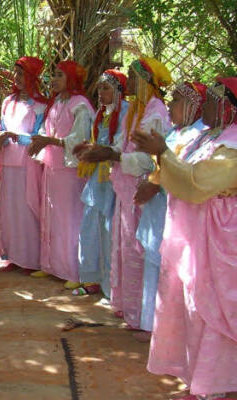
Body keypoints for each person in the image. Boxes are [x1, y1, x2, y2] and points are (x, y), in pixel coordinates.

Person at [134, 77, 237, 400]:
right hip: (197, 236)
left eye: (211, 100)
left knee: (213, 308)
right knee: (193, 305)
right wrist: (161, 156)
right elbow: (176, 170)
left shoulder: (233, 146)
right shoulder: (207, 137)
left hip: (220, 237)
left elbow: (197, 181)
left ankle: (215, 385)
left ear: (226, 107)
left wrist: (162, 152)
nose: (203, 104)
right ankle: (200, 380)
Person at [81, 58, 171, 329]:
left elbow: (149, 159)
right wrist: (102, 152)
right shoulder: (138, 111)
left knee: (140, 251)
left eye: (132, 77)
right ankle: (128, 308)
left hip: (143, 191)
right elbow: (121, 146)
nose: (128, 82)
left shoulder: (156, 112)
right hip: (126, 189)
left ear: (145, 81)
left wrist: (111, 154)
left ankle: (145, 318)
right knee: (124, 247)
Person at [133, 81, 207, 342]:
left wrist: (154, 184)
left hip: (177, 211)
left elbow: (185, 171)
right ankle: (151, 324)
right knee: (156, 264)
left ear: (192, 106)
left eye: (176, 100)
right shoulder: (177, 132)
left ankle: (168, 332)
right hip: (160, 211)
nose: (170, 105)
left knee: (173, 270)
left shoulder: (200, 135)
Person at [27, 60, 94, 288]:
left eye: (59, 75)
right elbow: (47, 130)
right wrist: (41, 140)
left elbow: (80, 139)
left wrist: (50, 140)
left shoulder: (81, 105)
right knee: (52, 217)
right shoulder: (55, 103)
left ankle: (73, 271)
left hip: (70, 171)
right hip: (53, 168)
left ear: (72, 79)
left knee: (69, 219)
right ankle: (51, 265)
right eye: (53, 75)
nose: (53, 79)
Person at [72, 69, 129, 296]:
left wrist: (100, 151)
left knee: (109, 232)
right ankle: (91, 279)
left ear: (118, 91)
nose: (101, 93)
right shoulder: (100, 113)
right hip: (97, 179)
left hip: (114, 179)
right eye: (100, 88)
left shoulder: (126, 112)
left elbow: (122, 146)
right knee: (90, 228)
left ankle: (111, 286)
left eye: (106, 88)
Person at [0, 56, 46, 273]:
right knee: (9, 209)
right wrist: (1, 138)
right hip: (8, 163)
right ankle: (13, 255)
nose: (17, 78)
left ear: (32, 76)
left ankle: (30, 258)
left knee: (27, 208)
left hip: (28, 163)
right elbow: (4, 128)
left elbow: (40, 136)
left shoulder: (42, 105)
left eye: (22, 73)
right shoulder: (8, 102)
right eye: (16, 73)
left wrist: (16, 136)